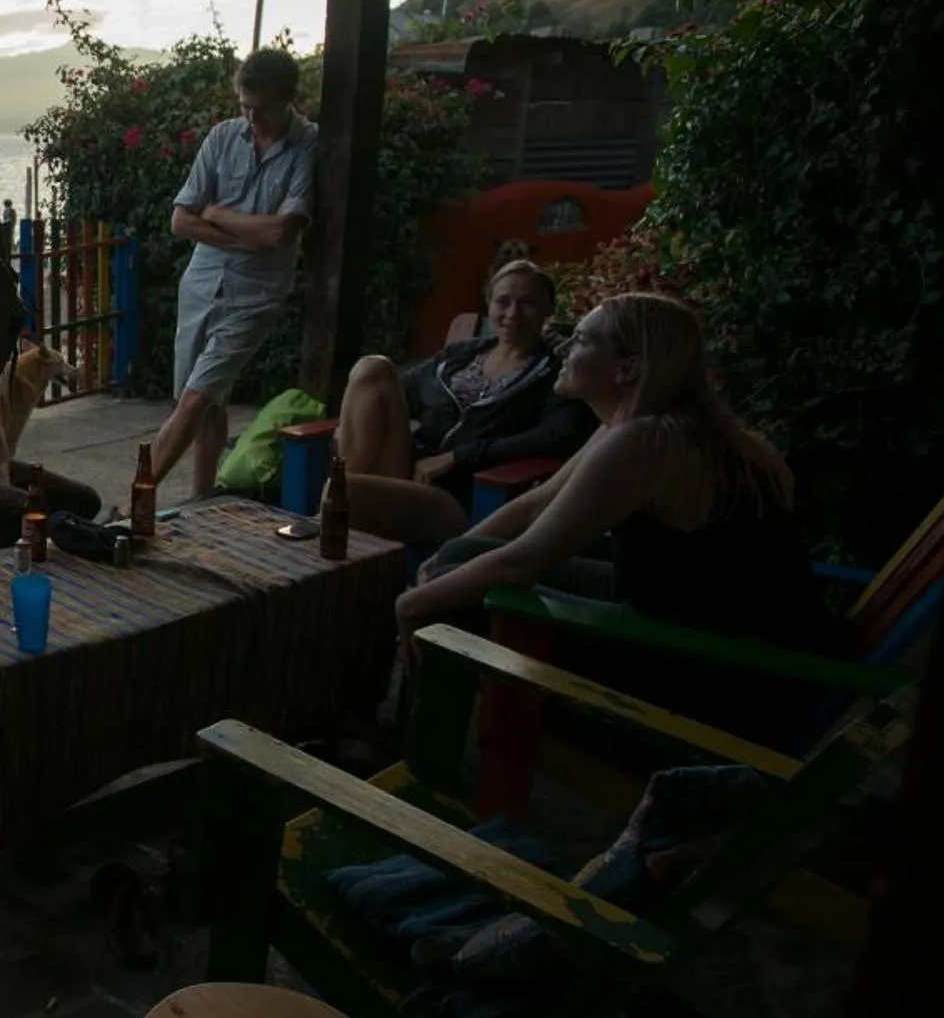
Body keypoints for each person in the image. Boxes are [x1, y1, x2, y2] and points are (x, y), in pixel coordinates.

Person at [395, 293, 828, 654]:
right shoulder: (637, 425)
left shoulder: (647, 441)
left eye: (582, 339)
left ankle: (451, 727)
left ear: (628, 368)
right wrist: (448, 552)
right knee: (462, 558)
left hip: (726, 664)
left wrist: (411, 604)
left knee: (456, 599)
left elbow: (522, 563)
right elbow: (535, 505)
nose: (563, 349)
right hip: (681, 619)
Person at [147, 49, 318, 497]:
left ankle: (135, 499)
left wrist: (217, 213)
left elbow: (281, 231)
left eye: (262, 109)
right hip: (202, 284)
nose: (252, 118)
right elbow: (180, 220)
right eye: (245, 106)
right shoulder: (223, 136)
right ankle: (201, 499)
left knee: (196, 397)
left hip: (255, 294)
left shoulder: (307, 144)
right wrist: (247, 237)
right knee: (205, 399)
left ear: (288, 99)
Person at [332, 260, 594, 544]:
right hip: (409, 469)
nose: (512, 314)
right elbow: (396, 393)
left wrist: (459, 456)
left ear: (548, 309)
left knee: (345, 493)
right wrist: (348, 425)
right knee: (373, 368)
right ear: (489, 305)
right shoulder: (460, 356)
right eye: (502, 302)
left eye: (527, 303)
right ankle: (345, 489)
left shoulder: (556, 372)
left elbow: (557, 436)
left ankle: (340, 504)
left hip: (458, 492)